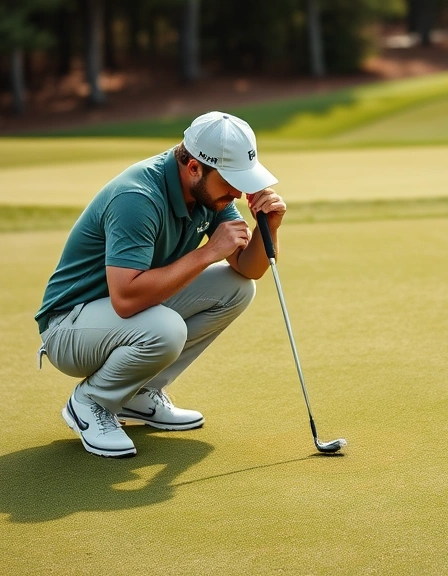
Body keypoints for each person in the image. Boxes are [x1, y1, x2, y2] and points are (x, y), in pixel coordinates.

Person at [35, 111, 286, 458]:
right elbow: (125, 298)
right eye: (230, 180)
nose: (240, 192)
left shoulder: (209, 194)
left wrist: (269, 225)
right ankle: (90, 401)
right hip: (68, 328)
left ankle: (139, 394)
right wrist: (208, 252)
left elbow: (248, 269)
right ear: (194, 167)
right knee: (165, 329)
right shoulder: (137, 197)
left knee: (237, 288)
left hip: (120, 317)